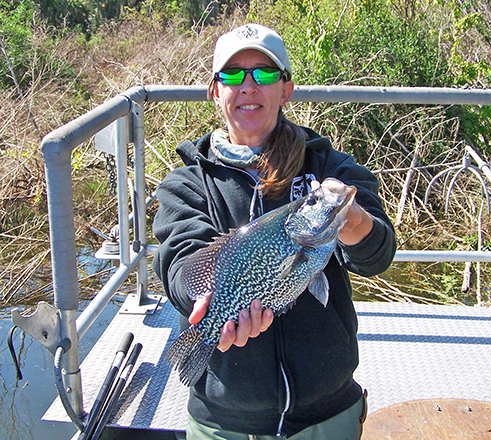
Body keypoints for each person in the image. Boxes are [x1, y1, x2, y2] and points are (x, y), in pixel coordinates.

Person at [152, 23, 396, 440]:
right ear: (215, 91)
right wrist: (209, 304)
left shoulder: (329, 169)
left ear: (286, 89)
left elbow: (377, 255)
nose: (248, 86)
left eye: (264, 74)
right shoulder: (186, 184)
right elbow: (179, 264)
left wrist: (352, 221)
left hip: (328, 411)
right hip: (224, 420)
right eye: (232, 75)